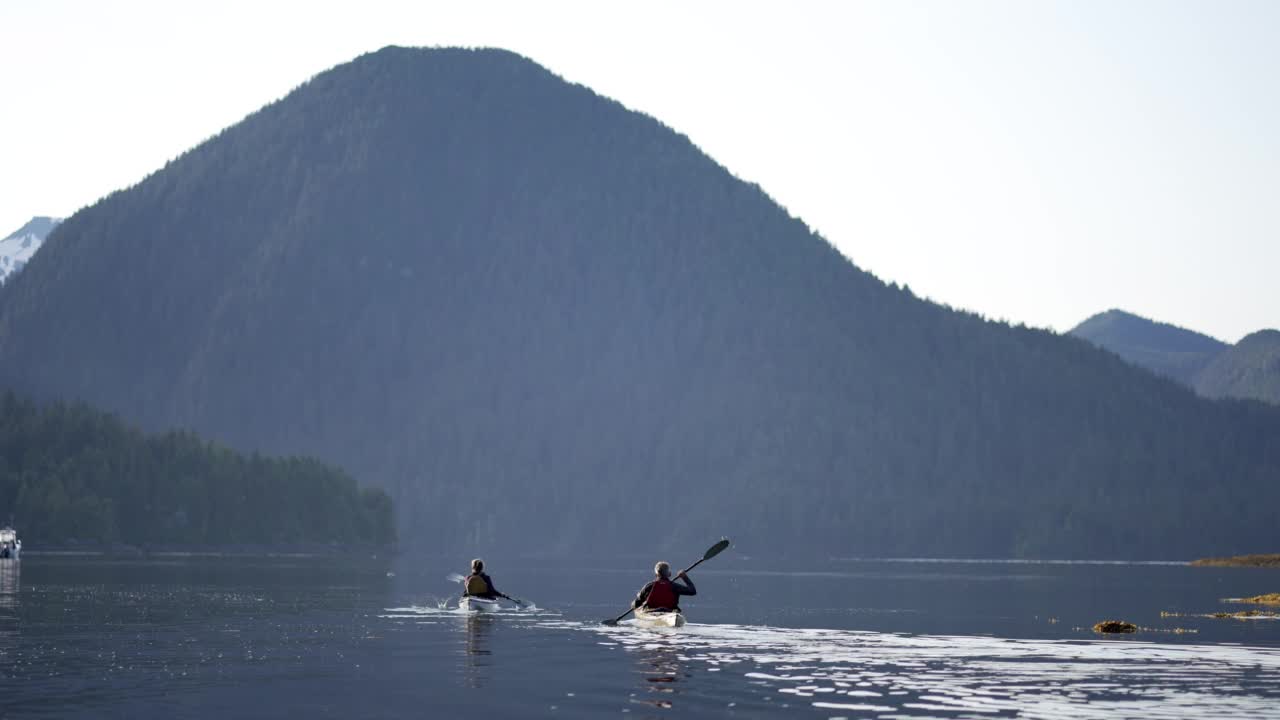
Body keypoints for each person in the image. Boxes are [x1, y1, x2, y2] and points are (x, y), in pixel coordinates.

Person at [632, 561, 696, 612]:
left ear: (656, 574)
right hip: (670, 612)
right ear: (669, 574)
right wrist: (684, 577)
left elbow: (636, 604)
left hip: (652, 612)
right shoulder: (674, 586)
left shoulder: (649, 586)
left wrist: (637, 604)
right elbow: (692, 591)